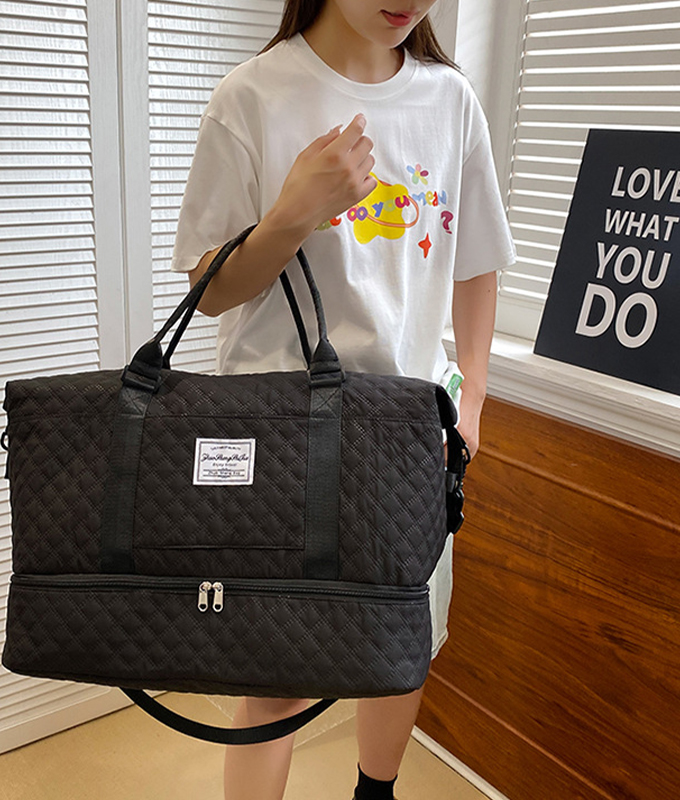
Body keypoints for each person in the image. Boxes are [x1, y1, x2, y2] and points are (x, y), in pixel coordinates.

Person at [170, 1, 516, 798]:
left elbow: (475, 264)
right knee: (274, 672)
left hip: (410, 435)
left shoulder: (450, 100)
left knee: (399, 646)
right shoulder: (251, 96)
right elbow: (208, 292)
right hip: (280, 440)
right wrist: (292, 214)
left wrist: (472, 399)